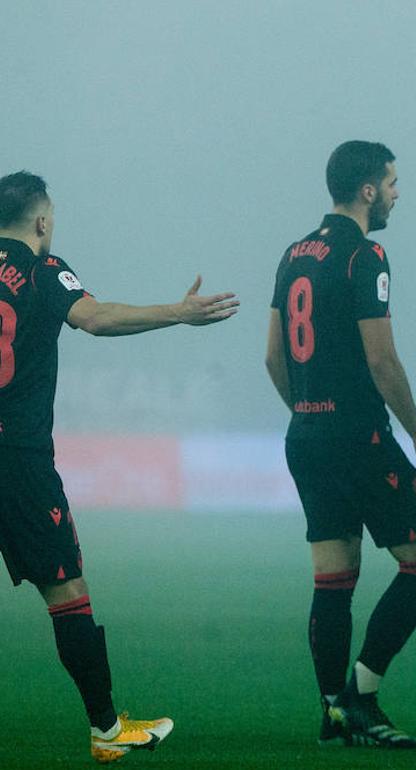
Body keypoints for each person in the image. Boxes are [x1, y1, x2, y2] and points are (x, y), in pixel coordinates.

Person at [0, 170, 238, 762]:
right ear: (42, 221)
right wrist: (179, 313)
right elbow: (96, 318)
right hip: (17, 460)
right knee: (67, 591)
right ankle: (107, 729)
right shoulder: (44, 269)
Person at [265, 141, 416, 749]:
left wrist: (308, 414)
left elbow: (272, 355)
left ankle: (332, 710)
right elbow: (382, 359)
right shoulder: (366, 255)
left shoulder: (293, 254)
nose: (397, 192)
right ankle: (363, 695)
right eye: (392, 182)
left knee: (333, 579)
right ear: (367, 190)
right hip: (360, 436)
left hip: (307, 436)